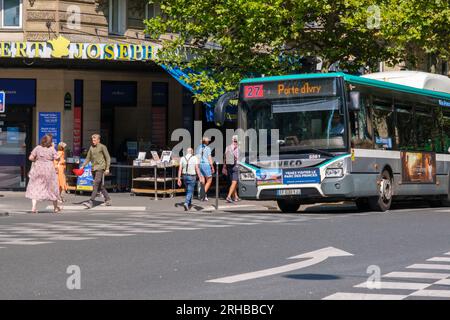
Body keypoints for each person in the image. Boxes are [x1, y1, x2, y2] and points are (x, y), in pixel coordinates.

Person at [25, 134, 62, 213]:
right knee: (52, 187)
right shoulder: (52, 149)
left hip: (38, 168)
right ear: (50, 142)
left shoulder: (37, 148)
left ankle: (33, 207)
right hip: (49, 169)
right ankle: (55, 207)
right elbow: (57, 158)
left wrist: (37, 161)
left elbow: (30, 158)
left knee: (35, 186)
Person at [80, 134, 111, 208]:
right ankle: (108, 199)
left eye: (94, 140)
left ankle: (91, 201)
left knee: (96, 184)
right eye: (92, 140)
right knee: (100, 186)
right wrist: (83, 165)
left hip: (100, 168)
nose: (93, 141)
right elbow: (88, 158)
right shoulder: (91, 148)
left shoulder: (102, 147)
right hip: (93, 168)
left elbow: (108, 158)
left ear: (98, 140)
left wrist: (107, 168)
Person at [195, 136, 215, 201]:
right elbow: (209, 158)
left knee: (202, 180)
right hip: (206, 165)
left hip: (199, 164)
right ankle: (202, 194)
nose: (209, 142)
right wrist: (212, 166)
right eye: (208, 141)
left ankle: (204, 195)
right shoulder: (208, 148)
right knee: (209, 179)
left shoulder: (198, 148)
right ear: (206, 142)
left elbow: (196, 157)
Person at [223, 135, 240, 203]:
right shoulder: (237, 148)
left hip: (228, 166)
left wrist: (224, 166)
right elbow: (238, 158)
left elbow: (224, 157)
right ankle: (229, 196)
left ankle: (236, 197)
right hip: (235, 166)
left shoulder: (227, 147)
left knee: (233, 182)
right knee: (234, 182)